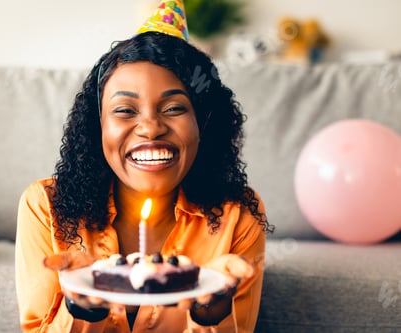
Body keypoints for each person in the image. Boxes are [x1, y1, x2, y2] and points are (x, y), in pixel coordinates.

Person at [15, 1, 273, 332]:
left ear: (203, 124)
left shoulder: (238, 214)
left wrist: (212, 313)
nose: (150, 128)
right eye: (125, 110)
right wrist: (81, 307)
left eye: (174, 108)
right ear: (98, 126)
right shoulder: (46, 206)